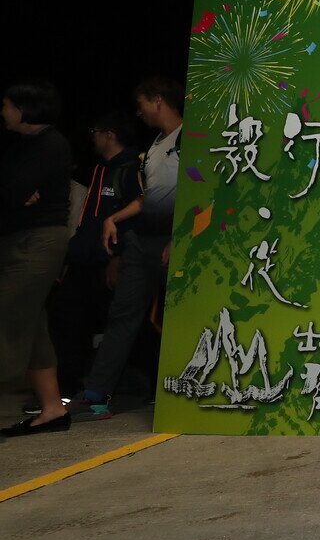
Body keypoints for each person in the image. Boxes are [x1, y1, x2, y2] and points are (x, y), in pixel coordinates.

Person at [70, 77, 184, 421]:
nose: (139, 111)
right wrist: (114, 218)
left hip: (170, 242)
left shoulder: (190, 138)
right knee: (122, 315)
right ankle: (96, 394)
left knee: (179, 317)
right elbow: (149, 196)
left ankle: (185, 391)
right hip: (140, 242)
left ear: (158, 100)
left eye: (142, 103)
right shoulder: (155, 144)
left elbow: (202, 192)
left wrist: (180, 239)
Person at [48, 111, 141, 398]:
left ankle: (130, 387)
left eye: (95, 133)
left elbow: (139, 214)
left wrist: (117, 257)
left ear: (109, 134)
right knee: (66, 318)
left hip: (109, 261)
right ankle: (66, 390)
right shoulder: (101, 168)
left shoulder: (132, 166)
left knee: (121, 325)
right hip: (83, 259)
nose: (93, 139)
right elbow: (89, 218)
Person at [1, 80, 75, 436]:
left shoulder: (51, 144)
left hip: (39, 242)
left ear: (25, 108)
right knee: (32, 327)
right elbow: (13, 192)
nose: (3, 112)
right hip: (16, 239)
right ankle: (52, 410)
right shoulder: (20, 146)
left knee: (8, 315)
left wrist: (15, 194)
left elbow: (14, 192)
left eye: (8, 105)